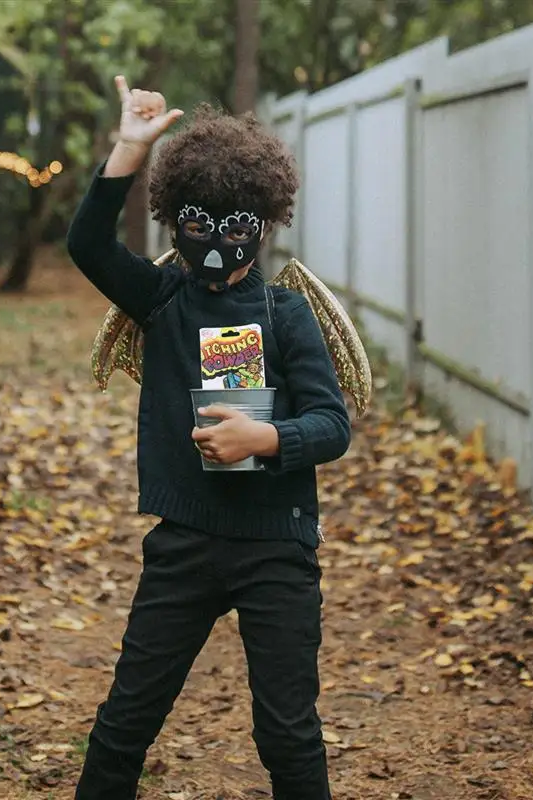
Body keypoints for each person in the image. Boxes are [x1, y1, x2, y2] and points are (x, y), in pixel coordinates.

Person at [67, 75, 351, 800]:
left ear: (265, 221)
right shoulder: (160, 300)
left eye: (237, 226)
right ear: (172, 221)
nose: (219, 243)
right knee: (126, 720)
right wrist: (129, 148)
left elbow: (332, 425)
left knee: (287, 734)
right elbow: (88, 243)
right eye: (199, 224)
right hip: (184, 544)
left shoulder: (288, 317)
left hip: (277, 548)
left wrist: (265, 438)